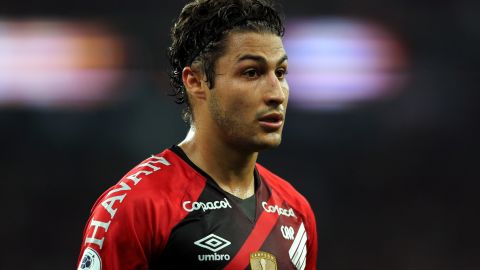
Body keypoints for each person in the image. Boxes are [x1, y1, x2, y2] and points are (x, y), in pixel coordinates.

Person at [76, 0, 318, 269]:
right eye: (251, 72)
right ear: (196, 81)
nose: (276, 93)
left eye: (281, 73)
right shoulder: (137, 207)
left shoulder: (296, 212)